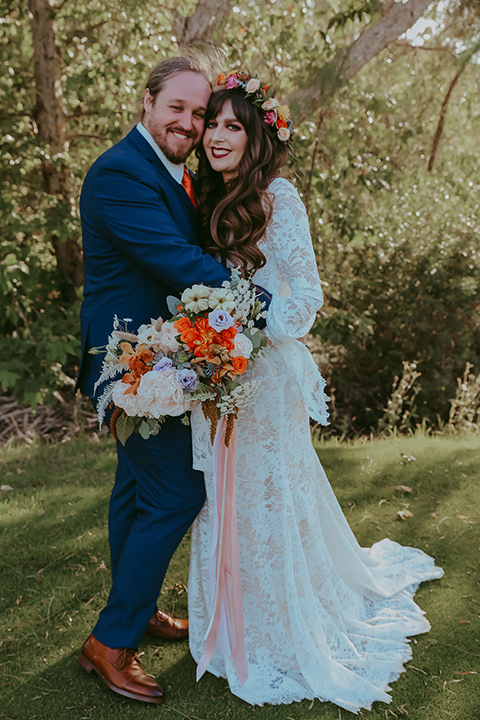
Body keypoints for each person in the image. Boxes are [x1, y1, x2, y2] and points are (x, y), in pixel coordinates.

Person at [188, 73, 444, 713]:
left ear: (258, 137)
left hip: (264, 375)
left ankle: (280, 627)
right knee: (224, 497)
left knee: (270, 495)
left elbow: (306, 297)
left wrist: (246, 327)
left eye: (233, 125)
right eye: (212, 123)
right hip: (216, 375)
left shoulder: (280, 198)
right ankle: (232, 620)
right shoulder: (208, 200)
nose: (217, 136)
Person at [74, 56, 269, 705]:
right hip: (128, 362)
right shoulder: (119, 174)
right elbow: (174, 259)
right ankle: (112, 642)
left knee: (136, 491)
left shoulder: (174, 173)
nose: (189, 123)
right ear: (148, 102)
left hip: (160, 358)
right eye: (178, 109)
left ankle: (137, 608)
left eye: (199, 113)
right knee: (177, 494)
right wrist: (253, 296)